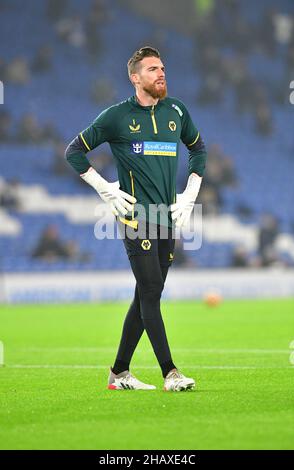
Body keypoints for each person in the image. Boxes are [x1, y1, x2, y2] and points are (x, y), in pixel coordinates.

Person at [65, 46, 207, 391]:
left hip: (166, 217)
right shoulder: (116, 117)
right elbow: (74, 152)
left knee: (148, 293)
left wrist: (190, 195)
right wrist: (105, 189)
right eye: (153, 69)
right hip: (135, 217)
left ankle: (119, 373)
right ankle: (170, 373)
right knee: (149, 291)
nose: (161, 74)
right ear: (135, 78)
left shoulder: (177, 111)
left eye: (163, 68)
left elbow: (199, 149)